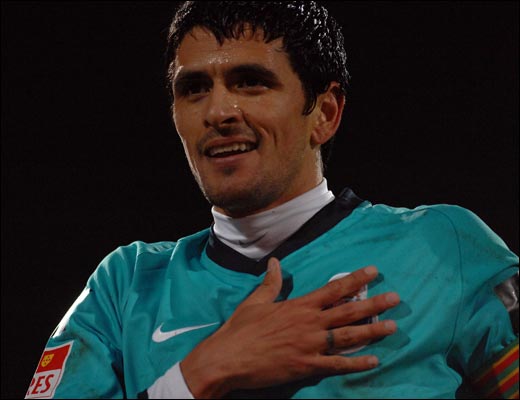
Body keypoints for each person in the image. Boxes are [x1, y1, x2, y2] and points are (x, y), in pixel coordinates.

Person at [26, 1, 518, 399]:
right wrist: (202, 373)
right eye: (194, 89)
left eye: (251, 83)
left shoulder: (444, 246)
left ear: (325, 113)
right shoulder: (124, 286)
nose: (218, 111)